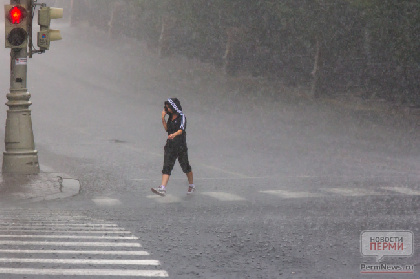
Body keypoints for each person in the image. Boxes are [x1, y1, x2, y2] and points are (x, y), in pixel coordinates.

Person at [151, 98, 194, 196]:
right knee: (167, 166)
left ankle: (191, 185)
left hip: (180, 145)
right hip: (170, 146)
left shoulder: (181, 117)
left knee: (185, 166)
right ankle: (162, 188)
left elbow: (181, 130)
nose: (167, 109)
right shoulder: (170, 117)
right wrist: (163, 119)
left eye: (168, 107)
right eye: (166, 107)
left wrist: (174, 135)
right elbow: (167, 129)